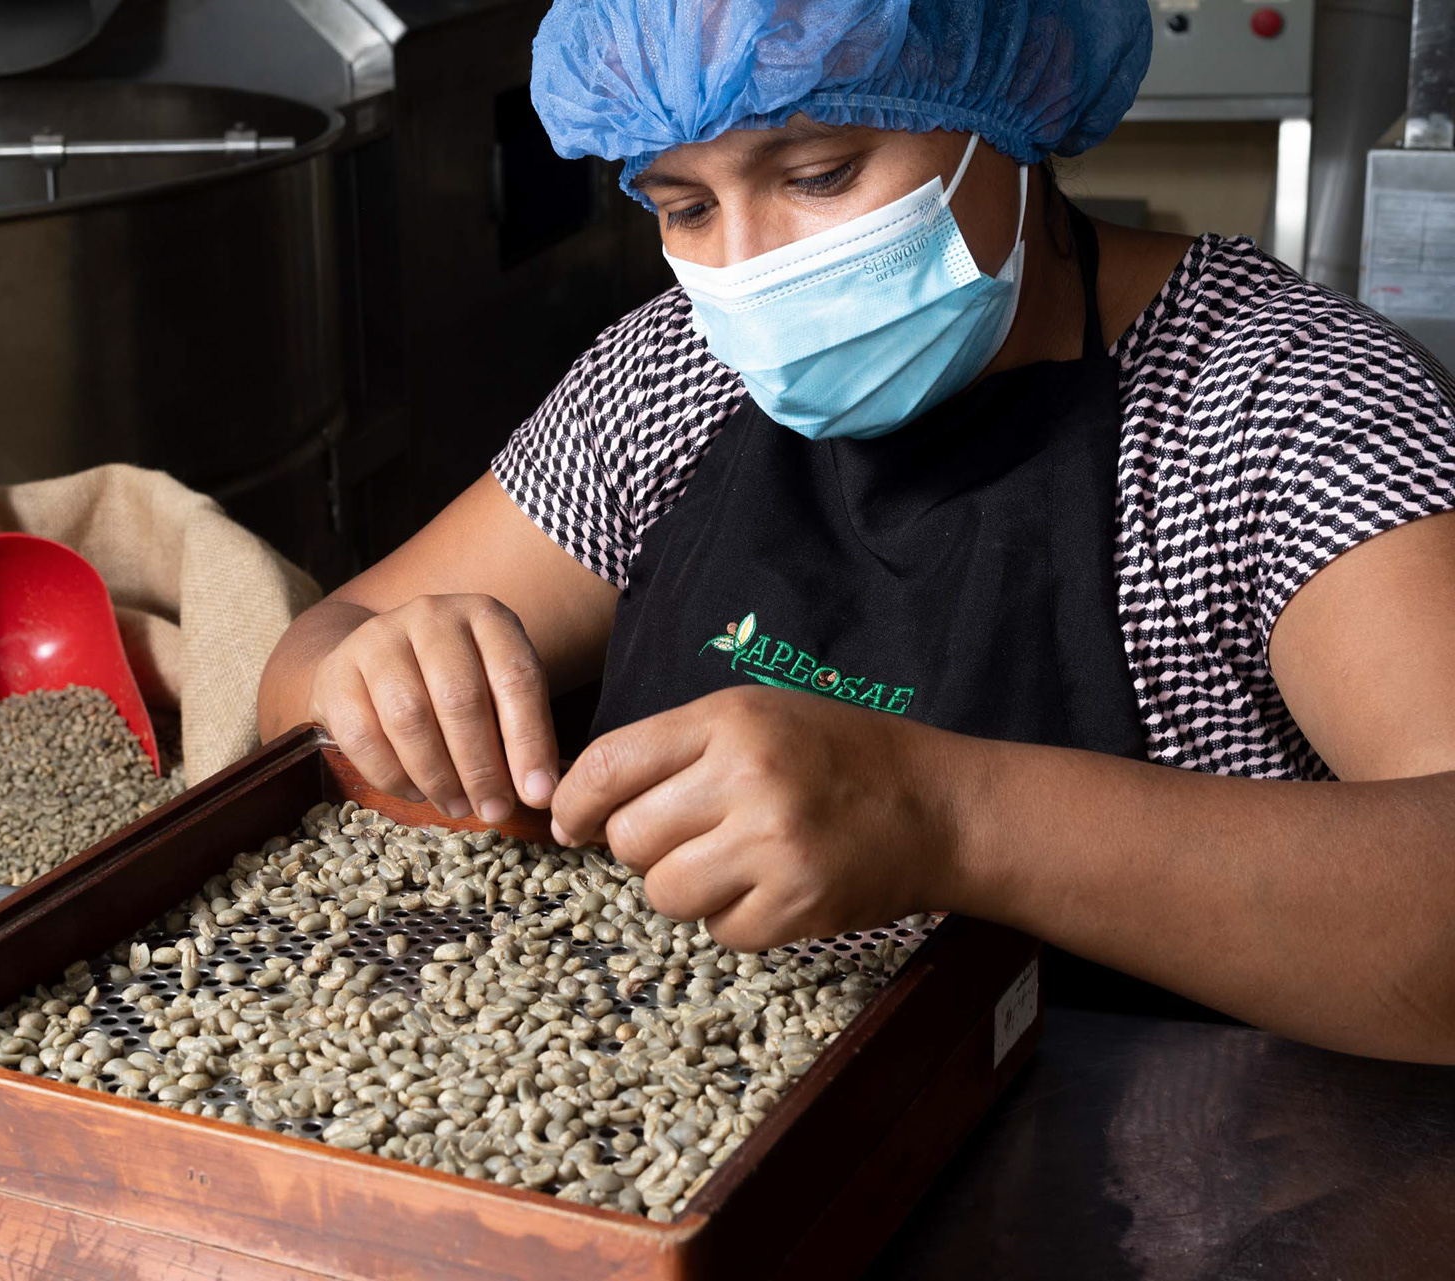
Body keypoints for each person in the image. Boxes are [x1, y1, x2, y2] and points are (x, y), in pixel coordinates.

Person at [259, 0, 1455, 1064]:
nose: (750, 272)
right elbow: (317, 655)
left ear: (1013, 95)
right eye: (684, 206)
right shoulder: (672, 378)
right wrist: (380, 677)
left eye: (820, 174)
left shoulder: (1280, 402)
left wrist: (942, 814)